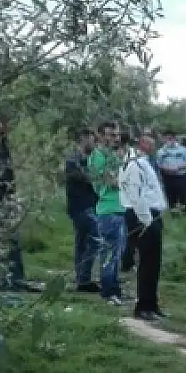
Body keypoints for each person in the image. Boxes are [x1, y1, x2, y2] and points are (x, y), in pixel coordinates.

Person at [0, 117, 42, 292]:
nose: (6, 126)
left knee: (14, 243)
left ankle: (16, 280)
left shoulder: (3, 144)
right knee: (4, 242)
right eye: (2, 123)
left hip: (7, 199)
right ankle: (5, 282)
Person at [119, 131, 168, 321]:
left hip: (150, 214)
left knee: (154, 262)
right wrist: (146, 219)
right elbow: (135, 194)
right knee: (147, 262)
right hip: (143, 215)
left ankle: (152, 304)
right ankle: (143, 306)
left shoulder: (143, 162)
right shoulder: (135, 164)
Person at [88, 121, 128, 305]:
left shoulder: (112, 155)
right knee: (110, 253)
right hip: (108, 208)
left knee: (116, 253)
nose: (115, 138)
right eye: (111, 135)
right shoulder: (98, 155)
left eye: (117, 135)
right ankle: (108, 291)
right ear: (101, 136)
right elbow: (111, 181)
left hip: (118, 207)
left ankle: (114, 288)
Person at [65, 128, 100, 292]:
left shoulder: (89, 158)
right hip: (80, 205)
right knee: (94, 240)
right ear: (84, 139)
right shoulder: (74, 159)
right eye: (92, 139)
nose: (94, 143)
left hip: (88, 204)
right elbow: (86, 177)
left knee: (82, 242)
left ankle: (82, 278)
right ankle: (84, 278)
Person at [156, 130, 186, 214]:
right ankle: (174, 214)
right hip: (167, 177)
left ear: (174, 138)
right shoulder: (161, 151)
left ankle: (185, 213)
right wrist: (166, 169)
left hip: (181, 176)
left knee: (183, 196)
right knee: (171, 197)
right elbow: (158, 164)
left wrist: (178, 168)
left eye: (170, 138)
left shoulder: (183, 149)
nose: (168, 140)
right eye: (166, 138)